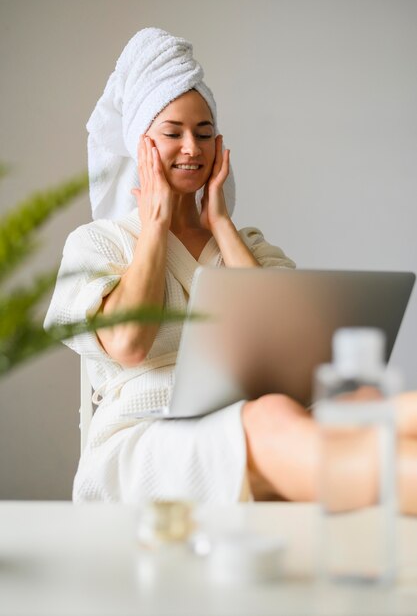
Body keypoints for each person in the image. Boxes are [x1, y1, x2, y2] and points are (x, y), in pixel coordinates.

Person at [45, 28, 417, 512]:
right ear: (142, 147)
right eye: (172, 133)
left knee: (373, 406)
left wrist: (221, 223)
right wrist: (155, 225)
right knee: (276, 415)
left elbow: (285, 339)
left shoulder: (248, 246)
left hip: (256, 414)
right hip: (146, 440)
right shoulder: (99, 243)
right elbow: (131, 344)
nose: (192, 149)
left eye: (204, 135)